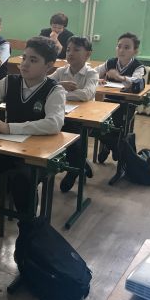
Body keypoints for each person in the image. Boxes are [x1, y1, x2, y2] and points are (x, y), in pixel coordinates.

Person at [0, 36, 66, 246]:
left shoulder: (55, 90)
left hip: (36, 156)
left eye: (33, 60)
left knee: (22, 182)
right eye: (24, 57)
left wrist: (9, 127)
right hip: (6, 149)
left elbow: (54, 123)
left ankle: (28, 236)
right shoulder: (8, 82)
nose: (25, 64)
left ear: (48, 66)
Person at [49, 36, 98, 191]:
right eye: (68, 50)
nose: (70, 53)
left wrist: (58, 92)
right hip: (62, 114)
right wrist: (60, 85)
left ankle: (74, 170)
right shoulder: (61, 71)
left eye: (76, 50)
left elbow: (86, 94)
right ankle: (79, 164)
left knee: (74, 137)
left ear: (87, 54)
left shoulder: (92, 73)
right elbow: (44, 85)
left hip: (83, 119)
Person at [95, 32, 145, 162]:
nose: (121, 50)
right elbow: (93, 73)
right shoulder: (111, 62)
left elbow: (136, 81)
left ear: (135, 51)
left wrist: (120, 77)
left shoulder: (138, 66)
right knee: (97, 123)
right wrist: (97, 79)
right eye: (119, 46)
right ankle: (113, 146)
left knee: (117, 124)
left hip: (126, 104)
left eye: (127, 47)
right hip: (106, 102)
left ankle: (110, 145)